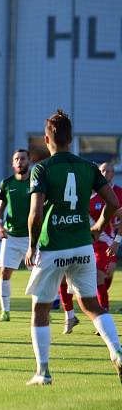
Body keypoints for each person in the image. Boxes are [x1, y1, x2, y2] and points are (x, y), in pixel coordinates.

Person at [24, 109, 122, 385]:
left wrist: (32, 246)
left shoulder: (42, 168)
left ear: (47, 139)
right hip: (82, 248)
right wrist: (97, 229)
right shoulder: (88, 167)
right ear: (72, 139)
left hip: (54, 247)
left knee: (40, 309)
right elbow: (113, 204)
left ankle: (43, 372)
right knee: (91, 304)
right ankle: (117, 350)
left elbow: (35, 213)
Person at [0, 149, 31, 322]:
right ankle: (5, 312)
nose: (19, 162)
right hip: (11, 237)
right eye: (16, 159)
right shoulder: (7, 183)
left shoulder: (36, 182)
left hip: (33, 238)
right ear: (12, 163)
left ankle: (42, 311)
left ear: (29, 161)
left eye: (22, 159)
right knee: (4, 273)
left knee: (38, 275)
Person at [88, 162, 122, 312]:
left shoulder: (119, 193)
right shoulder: (91, 193)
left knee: (106, 276)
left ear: (113, 174)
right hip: (92, 243)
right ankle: (104, 313)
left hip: (111, 242)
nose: (105, 174)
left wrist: (116, 242)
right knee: (98, 277)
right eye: (102, 171)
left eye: (108, 171)